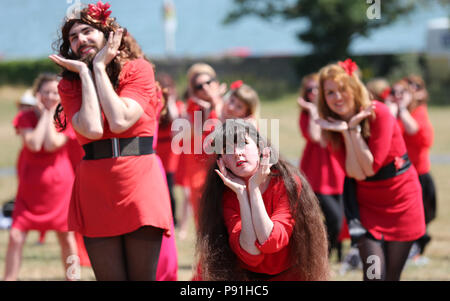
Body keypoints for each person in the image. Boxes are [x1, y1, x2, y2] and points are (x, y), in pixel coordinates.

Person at [50, 2, 172, 280]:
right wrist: (85, 73)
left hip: (140, 179)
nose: (80, 40)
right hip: (96, 186)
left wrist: (100, 69)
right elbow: (92, 129)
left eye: (86, 32)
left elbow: (119, 121)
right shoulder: (69, 84)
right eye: (73, 37)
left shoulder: (138, 69)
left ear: (107, 33)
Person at [316, 59, 426, 281]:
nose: (337, 97)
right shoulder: (332, 126)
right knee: (374, 276)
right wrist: (347, 131)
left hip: (401, 201)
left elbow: (371, 166)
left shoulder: (380, 113)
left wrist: (353, 129)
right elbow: (356, 173)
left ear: (354, 88)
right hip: (367, 208)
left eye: (342, 89)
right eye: (329, 92)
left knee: (391, 277)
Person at [196, 119, 329, 281]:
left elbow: (271, 242)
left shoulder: (287, 183)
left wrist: (254, 190)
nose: (237, 152)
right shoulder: (226, 195)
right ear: (222, 162)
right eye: (227, 149)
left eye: (243, 143)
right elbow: (251, 254)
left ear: (259, 147)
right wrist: (242, 194)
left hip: (292, 276)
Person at [4, 74, 77, 281]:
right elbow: (35, 144)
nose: (50, 96)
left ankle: (73, 277)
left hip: (60, 187)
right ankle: (9, 278)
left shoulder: (66, 118)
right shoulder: (25, 117)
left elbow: (52, 143)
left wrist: (51, 112)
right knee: (16, 236)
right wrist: (45, 114)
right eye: (46, 92)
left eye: (55, 93)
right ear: (38, 94)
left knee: (67, 238)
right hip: (30, 188)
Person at [297, 73, 346, 258]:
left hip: (338, 171)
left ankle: (338, 253)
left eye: (317, 88)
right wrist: (313, 111)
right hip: (316, 173)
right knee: (333, 219)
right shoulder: (307, 114)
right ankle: (322, 255)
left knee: (341, 218)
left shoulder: (336, 111)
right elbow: (316, 137)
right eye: (310, 89)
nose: (314, 92)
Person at [391, 76, 436, 259]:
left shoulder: (419, 111)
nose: (412, 90)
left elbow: (420, 135)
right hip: (401, 174)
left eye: (417, 86)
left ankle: (417, 247)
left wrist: (403, 109)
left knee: (427, 214)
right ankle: (411, 249)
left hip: (420, 171)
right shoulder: (394, 113)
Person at [178, 63, 224, 228]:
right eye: (199, 86)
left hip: (222, 166)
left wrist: (215, 103)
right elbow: (183, 136)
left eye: (209, 82)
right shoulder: (192, 108)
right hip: (199, 168)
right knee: (204, 220)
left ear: (216, 82)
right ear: (193, 90)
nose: (205, 88)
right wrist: (203, 113)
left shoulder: (227, 103)